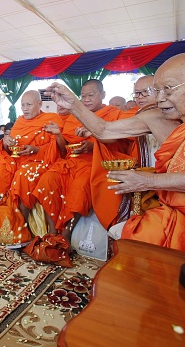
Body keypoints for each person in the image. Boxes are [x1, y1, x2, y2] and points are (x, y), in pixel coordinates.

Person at [45, 52, 185, 259]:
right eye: (157, 90)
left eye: (168, 89)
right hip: (176, 204)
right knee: (137, 238)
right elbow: (104, 130)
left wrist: (147, 181)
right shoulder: (155, 116)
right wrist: (73, 104)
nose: (160, 98)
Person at [32, 80, 136, 245]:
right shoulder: (75, 116)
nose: (86, 99)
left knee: (80, 188)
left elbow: (122, 144)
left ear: (102, 95)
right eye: (83, 96)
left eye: (91, 95)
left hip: (95, 163)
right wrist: (58, 134)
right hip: (70, 162)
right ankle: (52, 231)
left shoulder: (113, 114)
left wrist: (93, 145)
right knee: (47, 181)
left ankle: (66, 233)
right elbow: (64, 148)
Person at [0, 90, 64, 245]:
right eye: (23, 105)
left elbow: (60, 149)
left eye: (29, 104)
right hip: (19, 161)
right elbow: (12, 148)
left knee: (24, 175)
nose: (25, 108)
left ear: (40, 104)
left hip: (42, 163)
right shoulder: (20, 122)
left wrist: (36, 150)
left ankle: (21, 227)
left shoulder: (51, 120)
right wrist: (7, 143)